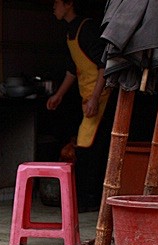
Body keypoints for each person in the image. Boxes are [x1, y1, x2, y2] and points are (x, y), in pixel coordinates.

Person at [47, 0, 114, 212]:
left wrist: (95, 97)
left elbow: (105, 66)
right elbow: (72, 70)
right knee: (85, 148)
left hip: (101, 96)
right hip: (87, 97)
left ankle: (90, 201)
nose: (54, 7)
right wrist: (58, 95)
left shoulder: (87, 29)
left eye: (57, 3)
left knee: (89, 149)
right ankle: (85, 200)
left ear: (68, 4)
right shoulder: (69, 33)